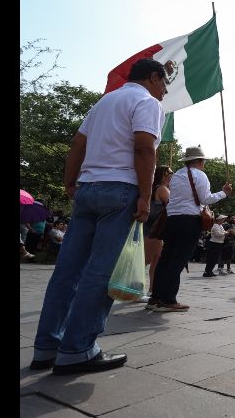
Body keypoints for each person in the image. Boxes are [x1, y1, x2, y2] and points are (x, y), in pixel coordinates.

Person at [31, 58, 167, 375]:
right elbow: (145, 149)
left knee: (67, 272)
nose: (164, 92)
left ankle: (46, 346)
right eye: (164, 84)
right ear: (153, 77)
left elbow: (77, 145)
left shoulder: (105, 101)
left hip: (88, 188)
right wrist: (146, 196)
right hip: (121, 191)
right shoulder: (146, 103)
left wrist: (69, 182)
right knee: (101, 274)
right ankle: (78, 349)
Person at [150, 146, 231, 311]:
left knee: (165, 259)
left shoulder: (177, 175)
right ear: (200, 161)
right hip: (189, 220)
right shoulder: (199, 175)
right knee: (178, 260)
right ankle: (168, 299)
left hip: (172, 220)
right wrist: (224, 193)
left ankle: (155, 297)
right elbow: (205, 198)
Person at [143, 165, 172, 297]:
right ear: (164, 175)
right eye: (170, 172)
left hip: (153, 228)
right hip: (154, 228)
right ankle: (136, 287)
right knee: (148, 260)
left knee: (155, 260)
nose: (173, 175)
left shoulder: (157, 188)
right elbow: (172, 205)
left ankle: (152, 289)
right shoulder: (162, 189)